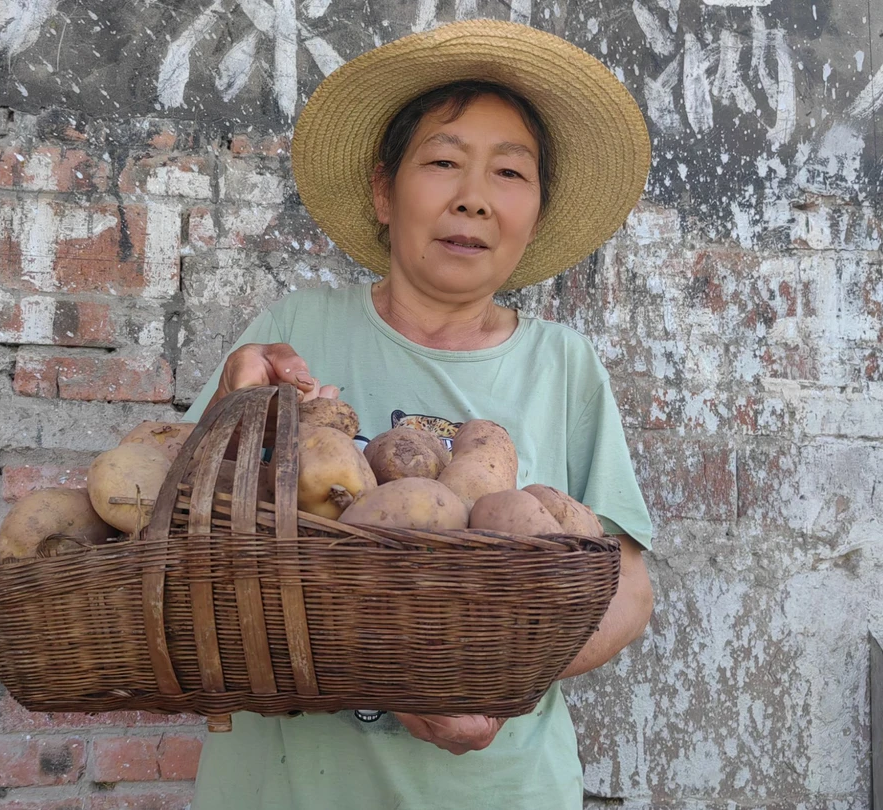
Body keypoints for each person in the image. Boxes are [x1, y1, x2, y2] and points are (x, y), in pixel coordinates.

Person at [181, 18, 655, 809]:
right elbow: (176, 550)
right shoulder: (295, 333)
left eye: (509, 173)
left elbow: (628, 590)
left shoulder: (563, 366)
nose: (472, 199)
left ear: (535, 210)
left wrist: (495, 685)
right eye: (442, 163)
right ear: (382, 190)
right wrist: (231, 417)